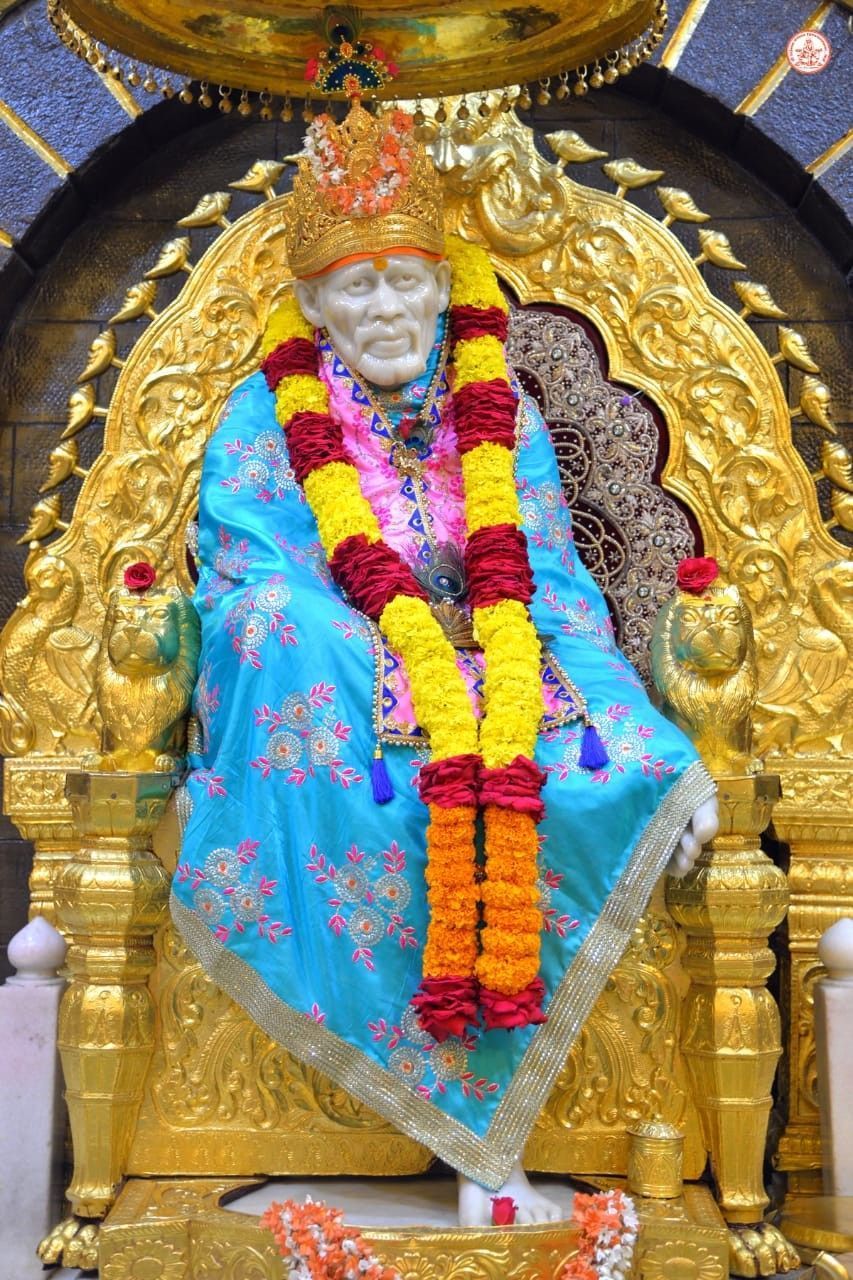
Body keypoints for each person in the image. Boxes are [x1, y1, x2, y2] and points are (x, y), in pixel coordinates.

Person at [171, 100, 718, 1226]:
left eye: (404, 280)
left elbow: (557, 596)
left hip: (505, 683)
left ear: (442, 285)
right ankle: (455, 1131)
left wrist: (666, 742)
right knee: (289, 638)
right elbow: (248, 590)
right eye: (357, 286)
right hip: (339, 708)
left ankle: (513, 1123)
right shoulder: (262, 417)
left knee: (613, 775)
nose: (385, 307)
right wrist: (371, 660)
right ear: (314, 304)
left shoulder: (496, 409)